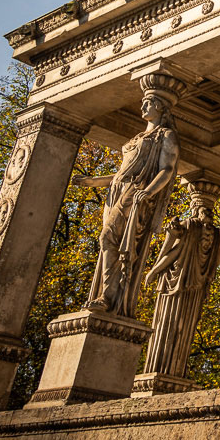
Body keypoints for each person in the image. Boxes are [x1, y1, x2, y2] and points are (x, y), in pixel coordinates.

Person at [74, 76, 182, 317]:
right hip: (117, 191)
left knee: (109, 239)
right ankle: (105, 295)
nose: (143, 106)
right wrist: (94, 181)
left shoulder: (165, 136)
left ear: (161, 108)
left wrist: (149, 191)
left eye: (149, 102)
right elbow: (120, 174)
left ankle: (108, 296)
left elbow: (167, 169)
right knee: (107, 242)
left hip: (135, 194)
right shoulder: (137, 138)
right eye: (144, 101)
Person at [142, 191, 220, 380]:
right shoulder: (213, 234)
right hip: (191, 288)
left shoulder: (191, 226)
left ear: (193, 208)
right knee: (180, 328)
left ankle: (162, 373)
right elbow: (215, 263)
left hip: (179, 286)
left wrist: (154, 270)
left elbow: (171, 253)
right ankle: (173, 372)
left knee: (168, 326)